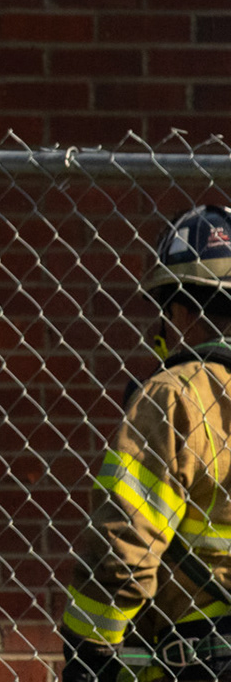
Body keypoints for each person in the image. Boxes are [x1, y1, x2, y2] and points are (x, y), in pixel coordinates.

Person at [63, 205, 231, 682]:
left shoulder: (177, 394)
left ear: (177, 310)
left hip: (203, 658)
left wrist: (87, 654)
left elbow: (125, 544)